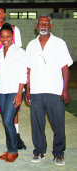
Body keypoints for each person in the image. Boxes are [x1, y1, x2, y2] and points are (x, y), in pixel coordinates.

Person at [26, 14, 72, 166]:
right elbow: (29, 69)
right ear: (36, 26)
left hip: (55, 90)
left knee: (58, 124)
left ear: (51, 26)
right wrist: (27, 90)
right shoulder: (31, 45)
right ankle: (39, 150)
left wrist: (65, 90)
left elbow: (65, 68)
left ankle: (58, 153)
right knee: (37, 124)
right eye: (40, 23)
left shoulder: (59, 43)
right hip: (36, 91)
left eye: (46, 23)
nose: (43, 25)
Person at [0, 4, 26, 150]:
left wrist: (21, 90)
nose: (0, 15)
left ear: (5, 14)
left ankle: (17, 136)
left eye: (2, 12)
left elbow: (19, 55)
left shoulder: (15, 30)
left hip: (13, 74)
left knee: (12, 111)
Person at [0, 23, 27, 162]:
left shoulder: (19, 52)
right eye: (2, 36)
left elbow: (23, 74)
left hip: (14, 91)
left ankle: (14, 150)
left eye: (8, 36)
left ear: (12, 37)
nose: (5, 39)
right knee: (7, 121)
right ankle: (9, 149)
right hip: (1, 91)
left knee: (7, 121)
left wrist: (20, 92)